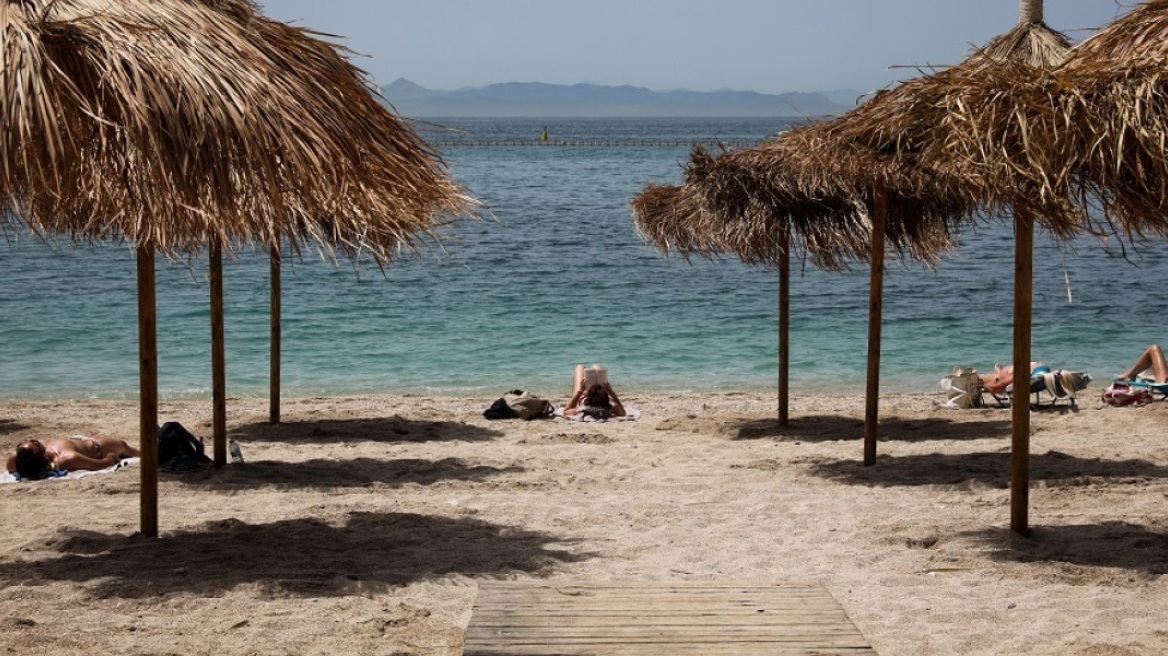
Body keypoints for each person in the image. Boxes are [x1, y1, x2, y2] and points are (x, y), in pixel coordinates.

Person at [6, 435, 140, 480]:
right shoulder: (67, 459)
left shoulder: (16, 459)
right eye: (36, 444)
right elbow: (102, 464)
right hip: (97, 447)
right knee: (124, 447)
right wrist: (111, 457)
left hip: (75, 442)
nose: (37, 441)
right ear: (44, 456)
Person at [978, 361, 1047, 394]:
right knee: (995, 376)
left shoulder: (1005, 380)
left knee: (991, 379)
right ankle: (997, 372)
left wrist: (986, 387)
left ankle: (982, 378)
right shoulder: (1006, 377)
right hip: (1039, 367)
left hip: (1035, 370)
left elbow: (996, 387)